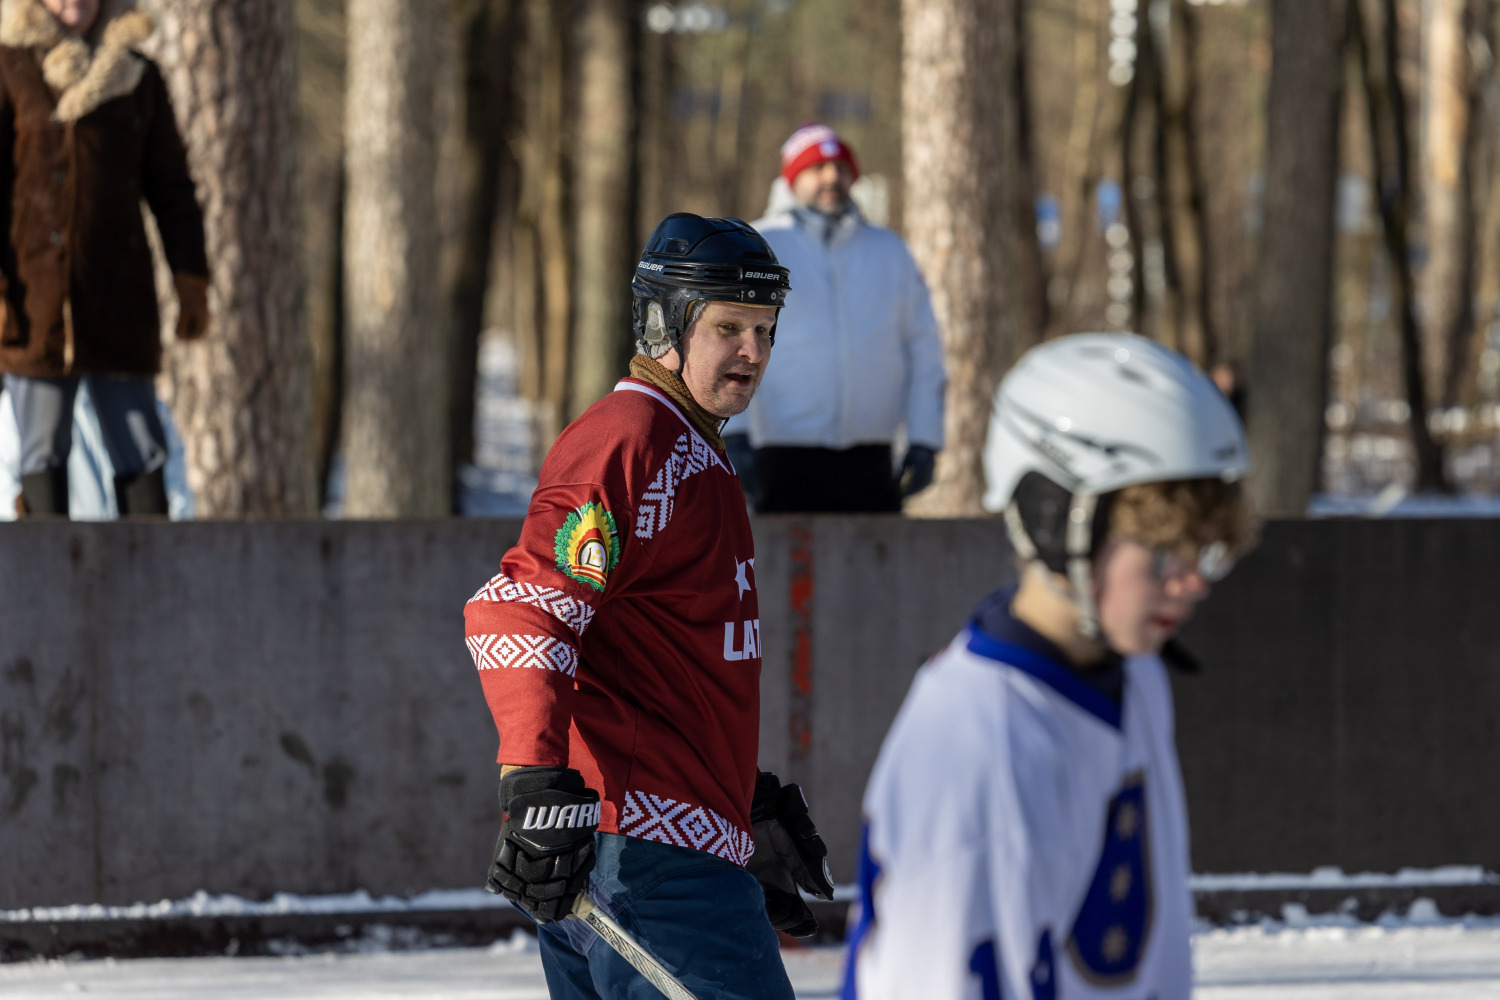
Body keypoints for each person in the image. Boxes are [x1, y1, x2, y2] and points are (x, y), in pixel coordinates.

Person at [465, 213, 835, 1000]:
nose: (754, 353)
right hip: (648, 867)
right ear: (666, 322)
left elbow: (663, 653)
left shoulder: (693, 444)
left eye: (766, 330)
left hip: (668, 849)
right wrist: (531, 779)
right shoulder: (634, 436)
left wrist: (737, 803)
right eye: (730, 326)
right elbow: (523, 608)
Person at [842, 333, 1255, 999]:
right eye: (1161, 552)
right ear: (1054, 516)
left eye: (1204, 553)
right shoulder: (977, 744)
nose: (1192, 585)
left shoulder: (1135, 675)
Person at [0, 0, 208, 518]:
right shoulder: (8, 66)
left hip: (119, 304)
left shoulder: (141, 79)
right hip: (34, 306)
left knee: (141, 448)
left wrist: (190, 278)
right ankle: (47, 585)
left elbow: (173, 190)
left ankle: (149, 583)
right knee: (41, 451)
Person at [724, 122, 945, 513]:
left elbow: (923, 345)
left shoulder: (888, 251)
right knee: (790, 573)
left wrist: (925, 438)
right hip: (778, 457)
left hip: (872, 460)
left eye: (841, 168)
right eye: (817, 168)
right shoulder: (758, 246)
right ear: (792, 179)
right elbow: (727, 344)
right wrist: (734, 436)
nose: (832, 177)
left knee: (872, 571)